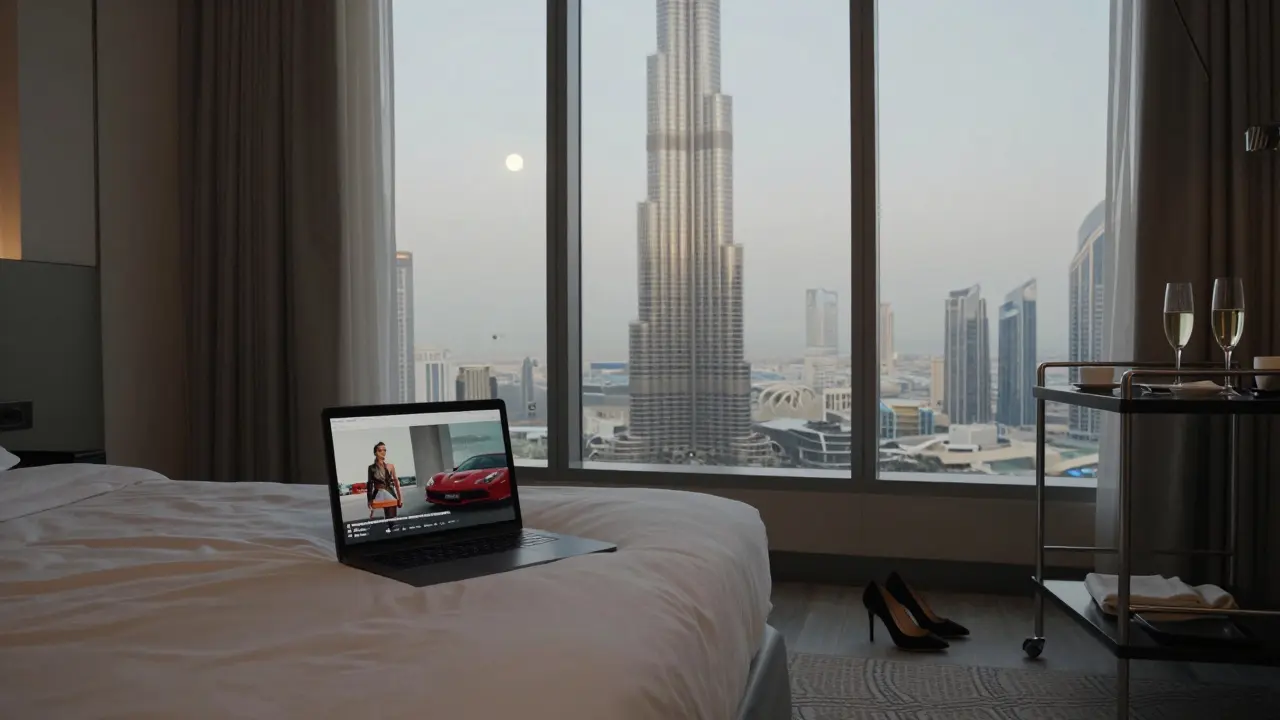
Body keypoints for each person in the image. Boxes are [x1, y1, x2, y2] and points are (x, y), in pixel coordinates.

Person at [366, 442, 402, 525]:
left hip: (390, 492)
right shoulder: (371, 468)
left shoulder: (390, 466)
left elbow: (396, 482)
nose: (383, 452)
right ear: (375, 453)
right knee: (378, 521)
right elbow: (370, 484)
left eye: (384, 450)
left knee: (392, 519)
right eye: (380, 450)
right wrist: (369, 500)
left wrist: (400, 498)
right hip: (378, 494)